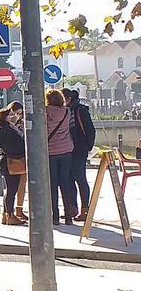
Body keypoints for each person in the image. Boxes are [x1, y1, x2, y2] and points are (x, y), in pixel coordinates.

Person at [45, 88, 78, 226]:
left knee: (52, 184)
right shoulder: (67, 111)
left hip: (51, 151)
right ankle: (68, 217)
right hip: (66, 150)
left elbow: (44, 130)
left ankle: (55, 216)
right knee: (65, 183)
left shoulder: (45, 112)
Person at [0, 104, 27, 225]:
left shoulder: (11, 128)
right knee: (11, 189)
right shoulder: (1, 130)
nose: (14, 116)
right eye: (11, 115)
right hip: (9, 162)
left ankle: (7, 214)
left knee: (12, 188)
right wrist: (21, 151)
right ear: (4, 117)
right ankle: (10, 215)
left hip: (13, 161)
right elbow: (10, 146)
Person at [64, 89, 95, 221]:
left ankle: (85, 210)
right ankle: (72, 208)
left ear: (68, 98)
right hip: (68, 149)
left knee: (80, 179)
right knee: (69, 179)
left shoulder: (79, 110)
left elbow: (90, 130)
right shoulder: (66, 111)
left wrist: (87, 147)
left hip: (79, 150)